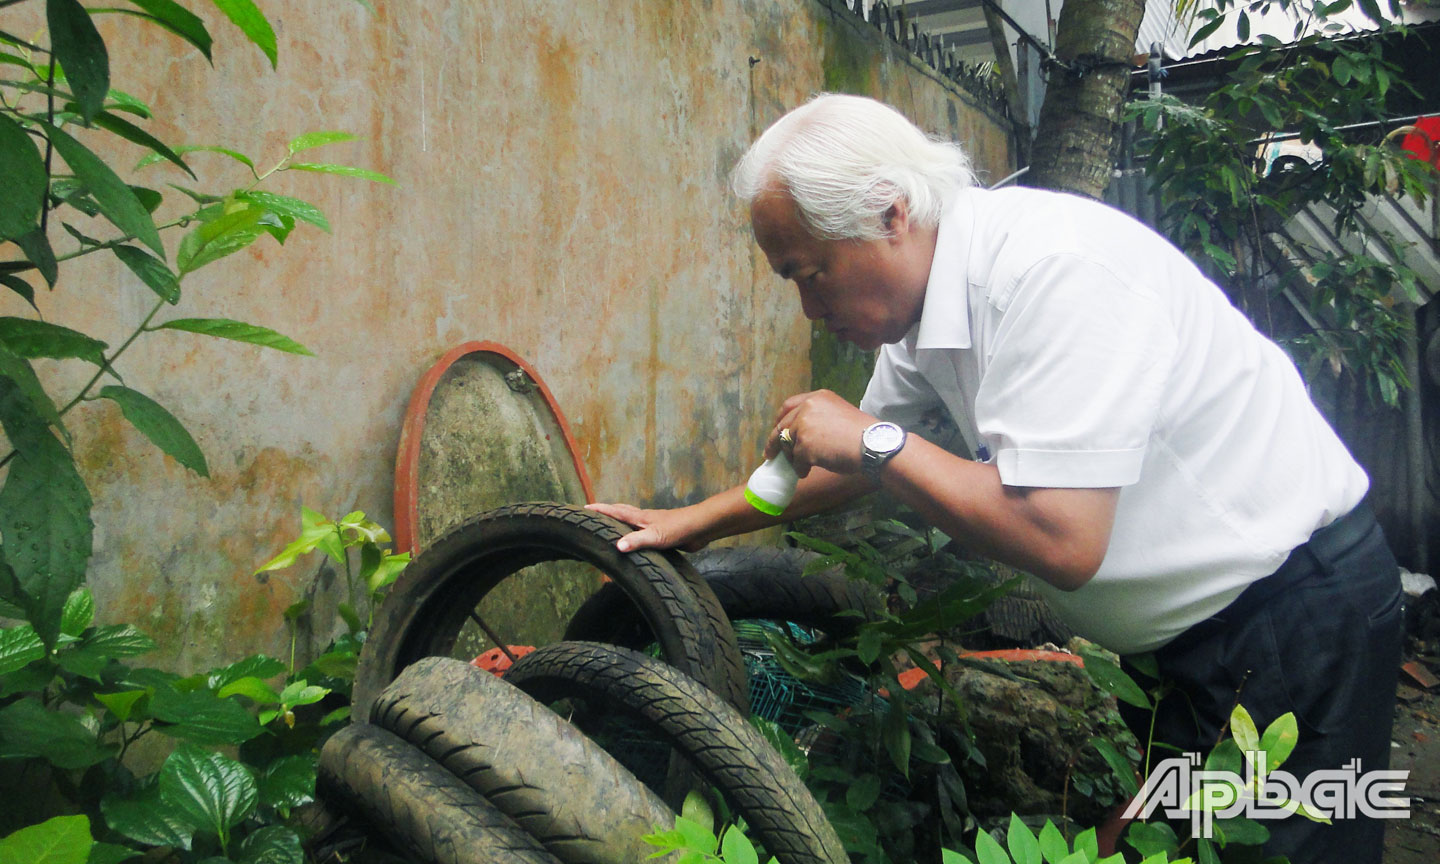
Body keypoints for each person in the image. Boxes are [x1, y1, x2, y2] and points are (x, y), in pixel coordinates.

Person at [588, 93, 1403, 863]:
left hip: (1292, 617)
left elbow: (1061, 536)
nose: (807, 308)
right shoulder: (926, 305)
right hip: (1187, 645)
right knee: (1162, 847)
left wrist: (873, 439)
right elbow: (848, 465)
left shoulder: (1051, 274)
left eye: (810, 271)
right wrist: (695, 520)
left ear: (889, 215)